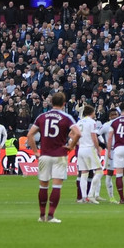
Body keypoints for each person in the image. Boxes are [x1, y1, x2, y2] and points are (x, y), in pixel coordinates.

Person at [27, 91, 79, 223]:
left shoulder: (42, 116)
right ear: (64, 103)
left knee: (43, 186)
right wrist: (71, 146)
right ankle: (50, 216)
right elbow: (78, 133)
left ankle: (41, 216)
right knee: (57, 186)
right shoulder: (66, 117)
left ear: (51, 103)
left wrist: (35, 151)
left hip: (44, 155)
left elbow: (30, 135)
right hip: (59, 155)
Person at [73, 105, 103, 204]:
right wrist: (98, 148)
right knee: (99, 171)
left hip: (81, 149)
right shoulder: (92, 122)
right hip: (90, 148)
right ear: (92, 112)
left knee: (84, 173)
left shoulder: (79, 122)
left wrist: (79, 143)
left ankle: (83, 197)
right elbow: (94, 136)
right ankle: (90, 195)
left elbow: (72, 135)